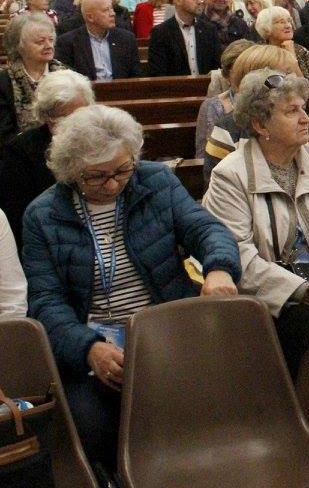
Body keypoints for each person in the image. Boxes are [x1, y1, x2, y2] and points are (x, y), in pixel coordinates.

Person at [22, 105, 240, 469]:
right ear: (71, 170)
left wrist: (219, 268)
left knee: (209, 408)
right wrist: (89, 348)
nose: (112, 184)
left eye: (122, 170)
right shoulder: (43, 215)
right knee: (90, 427)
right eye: (96, 176)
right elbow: (45, 302)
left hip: (168, 332)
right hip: (94, 350)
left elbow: (206, 229)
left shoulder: (156, 182)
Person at [201, 70, 309, 375]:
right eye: (292, 111)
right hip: (274, 300)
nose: (306, 119)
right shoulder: (231, 175)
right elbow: (238, 254)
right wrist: (305, 290)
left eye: (304, 108)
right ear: (260, 124)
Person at [0, 69, 93, 248]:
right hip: (49, 237)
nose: (76, 123)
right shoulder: (21, 150)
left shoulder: (101, 139)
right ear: (47, 116)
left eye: (81, 114)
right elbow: (18, 215)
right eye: (65, 117)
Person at [202, 45, 309, 184]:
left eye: (289, 74)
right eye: (279, 76)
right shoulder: (226, 130)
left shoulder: (306, 122)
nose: (289, 82)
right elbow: (218, 186)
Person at [0, 13, 63, 142]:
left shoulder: (67, 75)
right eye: (40, 42)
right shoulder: (4, 82)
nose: (48, 46)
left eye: (51, 40)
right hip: (18, 150)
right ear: (19, 46)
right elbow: (4, 133)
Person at [53, 0, 141, 81]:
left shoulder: (126, 39)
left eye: (111, 9)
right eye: (106, 10)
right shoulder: (68, 42)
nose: (113, 13)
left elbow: (135, 76)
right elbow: (66, 79)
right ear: (90, 17)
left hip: (121, 89)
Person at [147, 0, 222, 77]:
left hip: (206, 85)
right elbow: (158, 72)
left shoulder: (209, 30)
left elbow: (217, 67)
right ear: (178, 0)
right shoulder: (161, 32)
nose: (200, 2)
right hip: (175, 86)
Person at [255, 5, 309, 81]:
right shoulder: (259, 54)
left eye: (289, 21)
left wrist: (292, 58)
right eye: (281, 22)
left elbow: (307, 86)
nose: (288, 26)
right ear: (266, 29)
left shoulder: (302, 52)